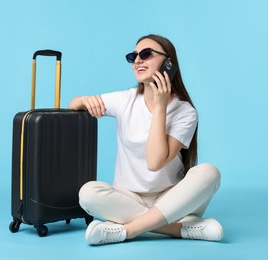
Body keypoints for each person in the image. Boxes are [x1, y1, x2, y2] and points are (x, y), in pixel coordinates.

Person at [68, 34, 224, 246]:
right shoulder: (125, 100)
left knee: (209, 173)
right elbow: (72, 105)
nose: (138, 60)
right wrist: (84, 100)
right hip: (129, 198)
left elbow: (155, 162)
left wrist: (160, 107)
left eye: (146, 54)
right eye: (133, 57)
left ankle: (128, 230)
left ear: (169, 63)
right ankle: (179, 230)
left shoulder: (185, 112)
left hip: (174, 200)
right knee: (87, 193)